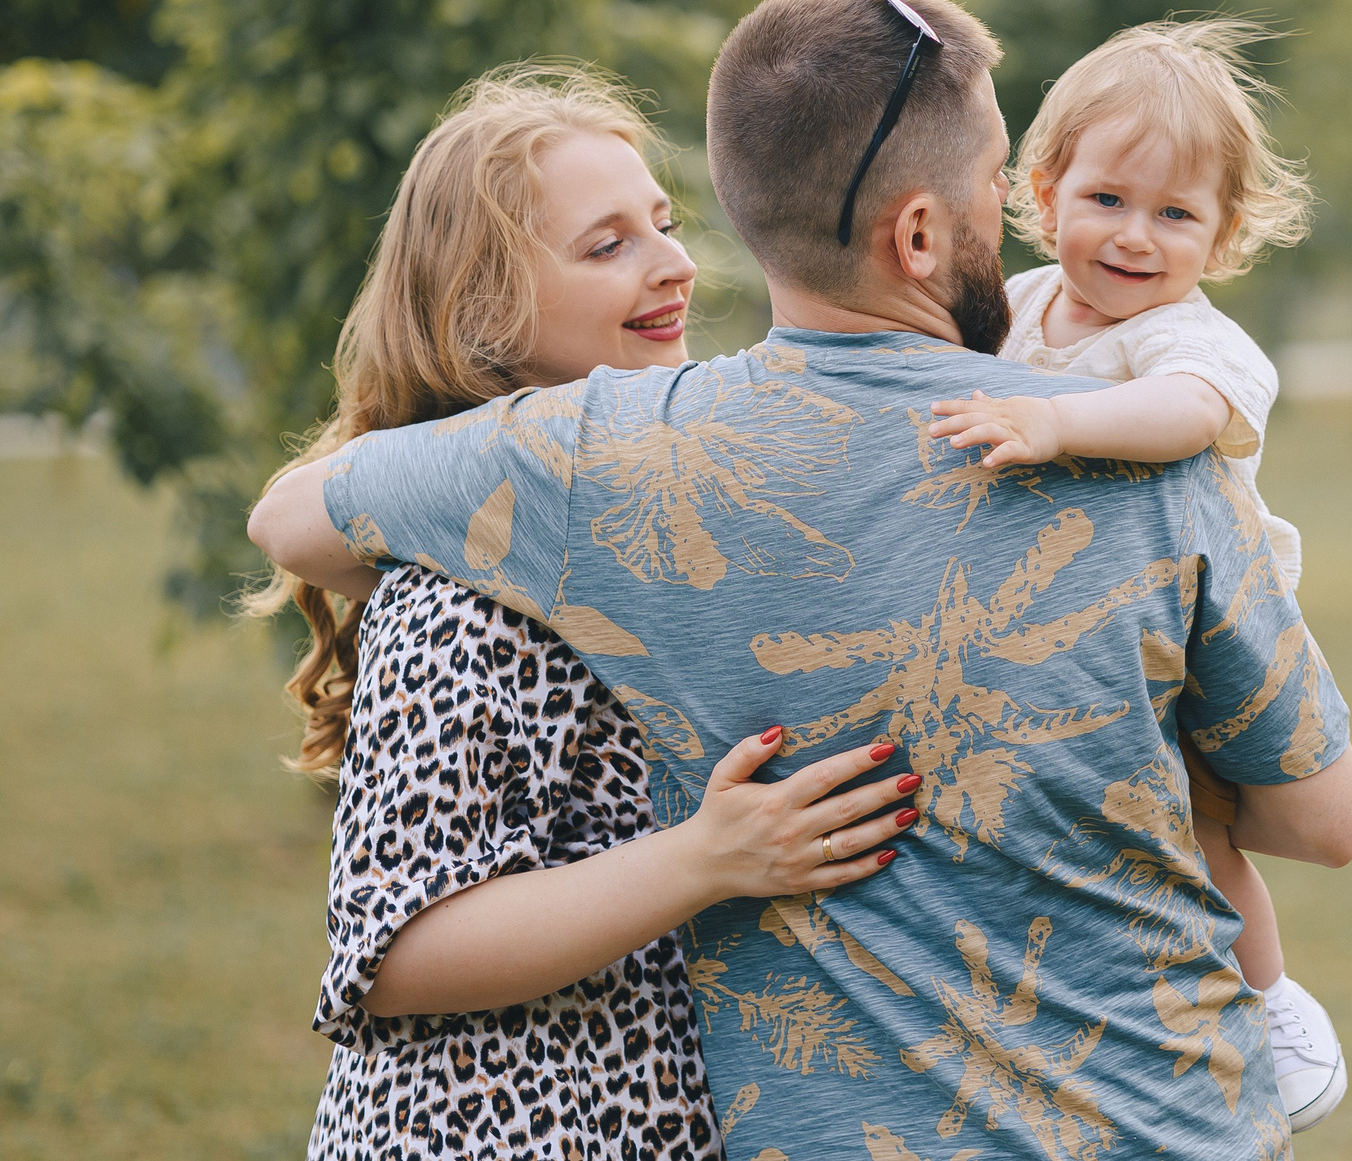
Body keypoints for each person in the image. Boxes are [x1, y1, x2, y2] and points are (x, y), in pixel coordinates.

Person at [250, 0, 1352, 1161]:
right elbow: (1324, 819)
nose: (1012, 212)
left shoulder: (591, 459)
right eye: (996, 178)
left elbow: (296, 521)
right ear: (920, 232)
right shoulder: (1153, 453)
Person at [244, 68, 919, 1160]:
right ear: (482, 312)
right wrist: (704, 859)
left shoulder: (641, 518)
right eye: (606, 246)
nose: (675, 263)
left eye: (663, 224)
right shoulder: (462, 590)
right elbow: (398, 950)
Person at [924, 19, 1346, 1130]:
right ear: (1045, 191)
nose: (1134, 237)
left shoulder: (1188, 340)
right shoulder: (1017, 306)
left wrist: (1056, 422)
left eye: (1175, 214)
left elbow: (1186, 415)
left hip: (1198, 637)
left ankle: (1270, 998)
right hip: (1065, 624)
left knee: (1196, 825)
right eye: (1106, 198)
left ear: (1224, 233)